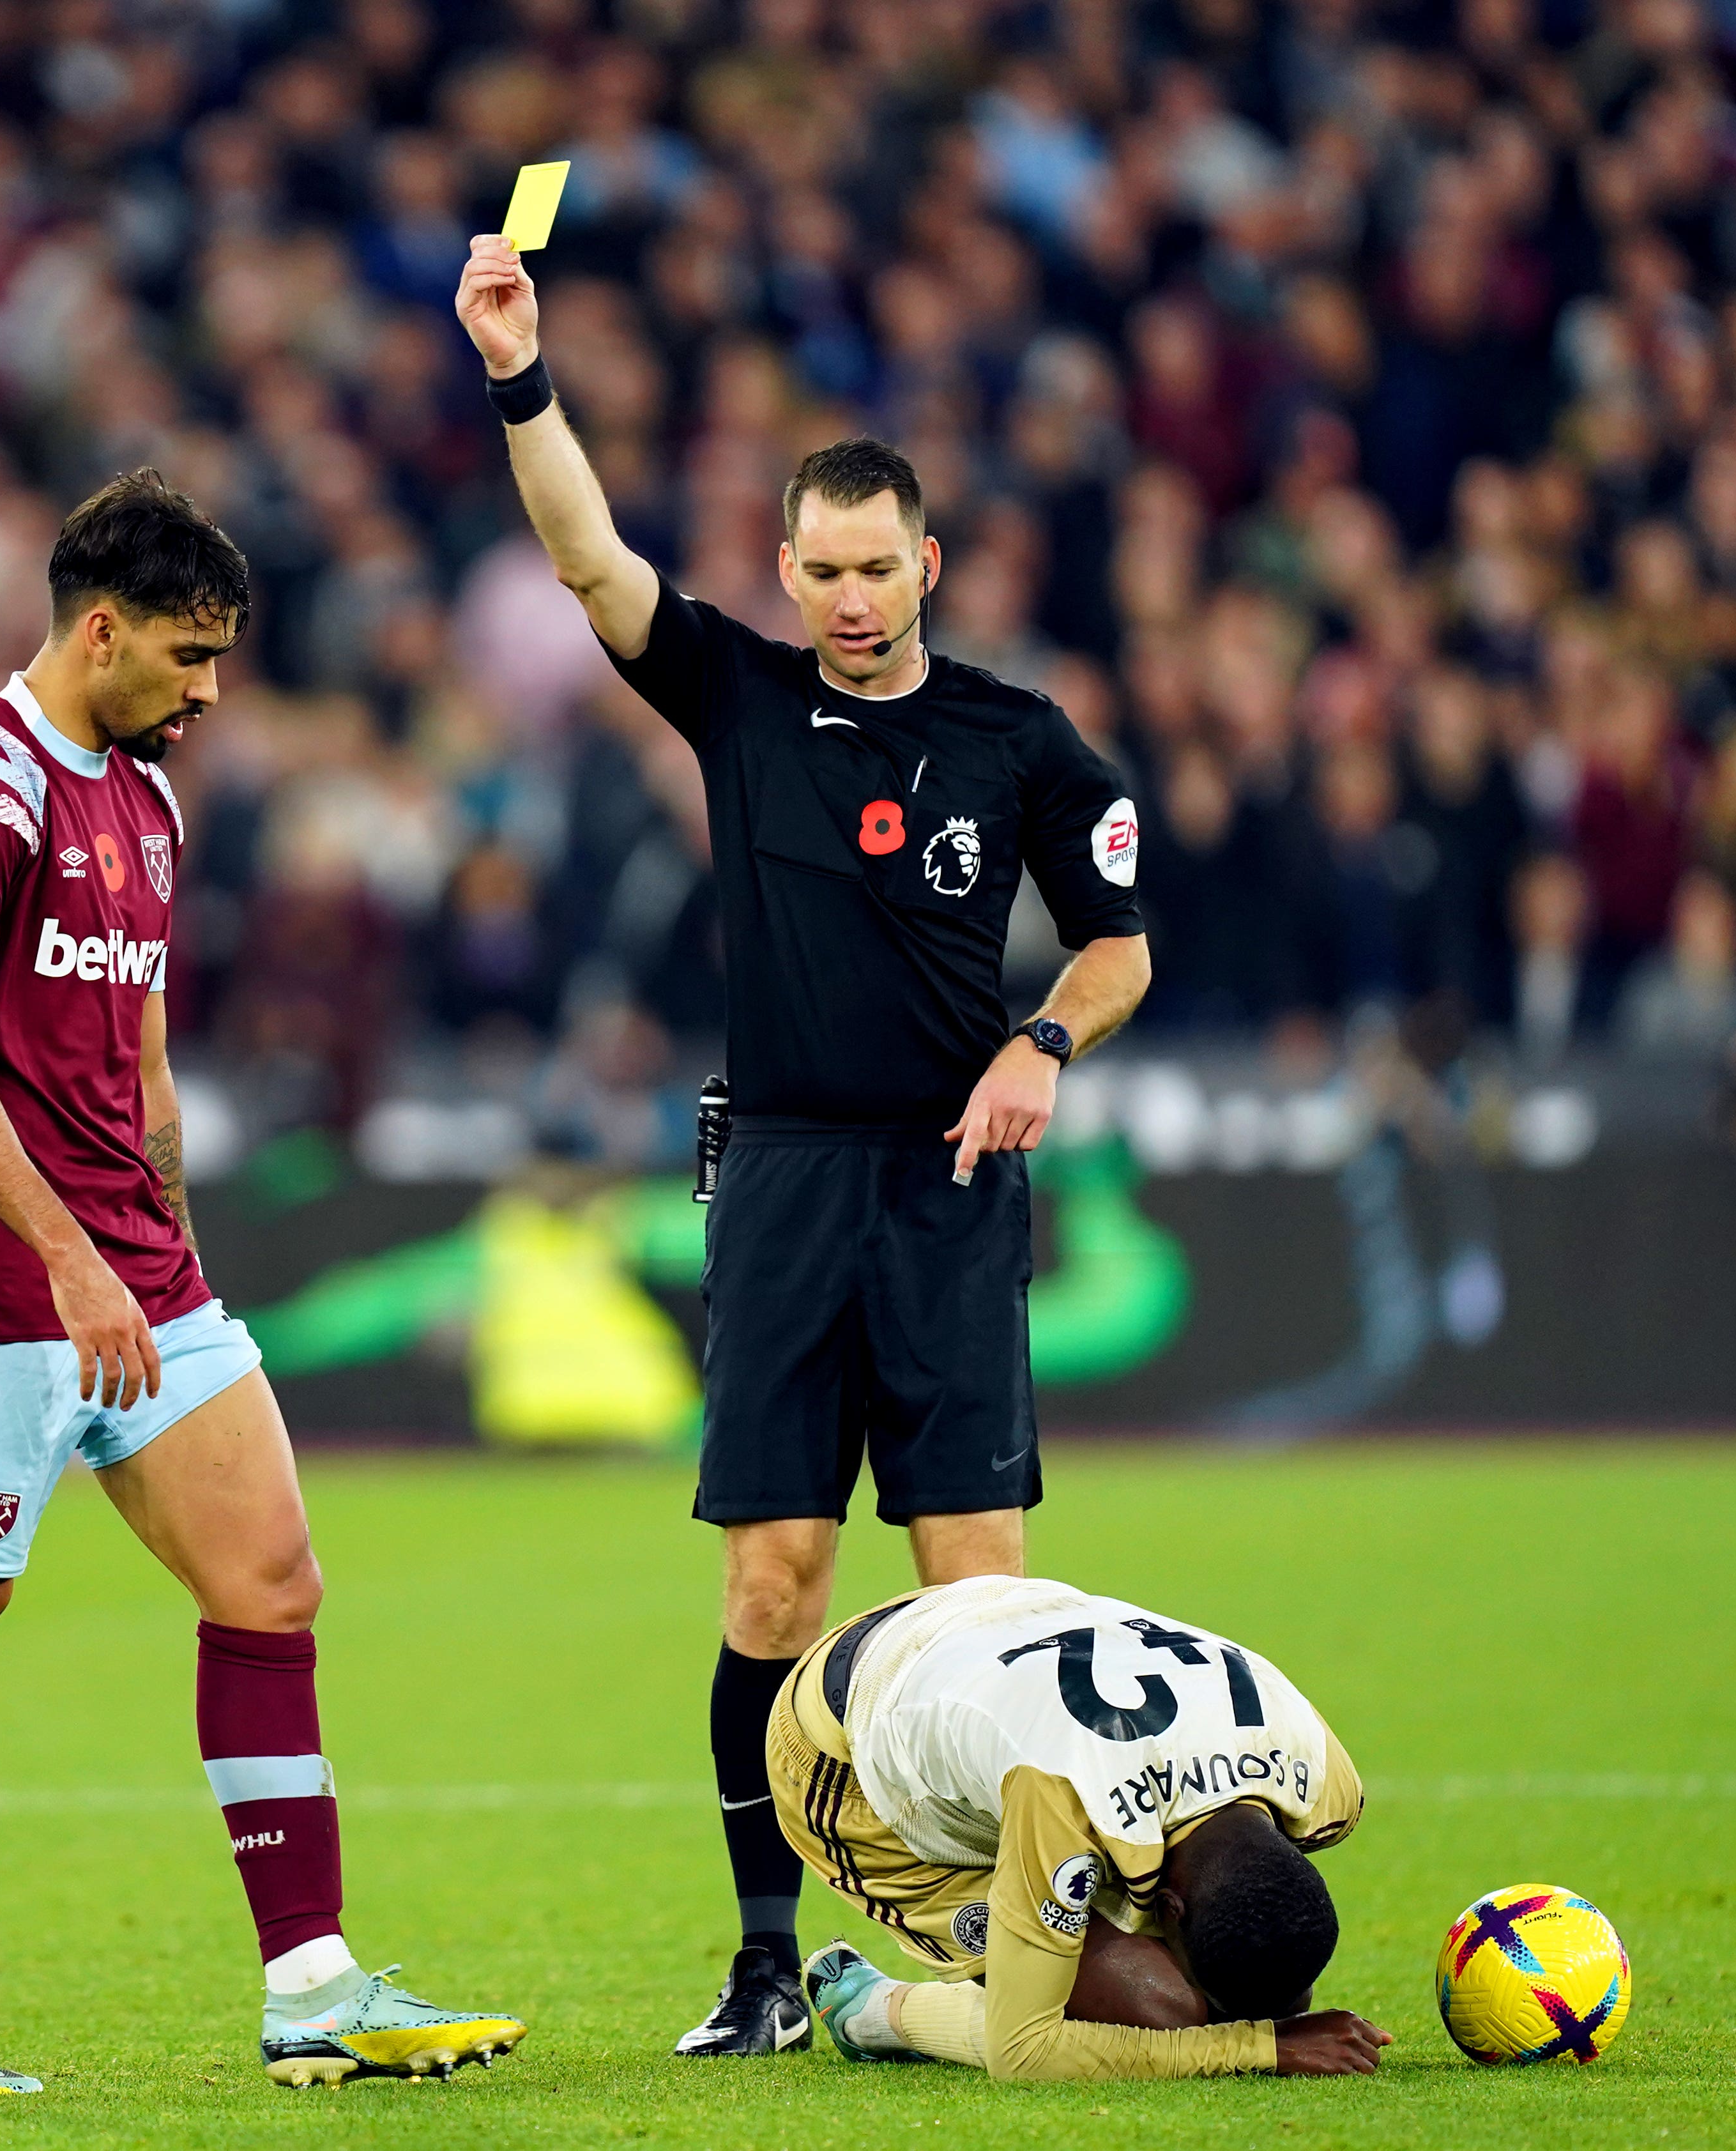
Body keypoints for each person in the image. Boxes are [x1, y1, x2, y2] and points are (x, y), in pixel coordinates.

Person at [457, 234, 1157, 2057]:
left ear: (927, 561)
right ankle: (766, 1957)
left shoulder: (1019, 742)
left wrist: (1041, 1040)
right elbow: (585, 556)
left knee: (978, 1598)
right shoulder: (742, 695)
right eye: (820, 570)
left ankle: (1033, 1940)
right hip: (774, 1177)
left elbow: (1123, 945)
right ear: (788, 568)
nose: (848, 598)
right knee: (774, 1578)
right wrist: (522, 376)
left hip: (945, 1187)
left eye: (876, 568)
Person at [0, 470, 526, 2096]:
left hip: (139, 1275)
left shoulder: (149, 798)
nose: (210, 693)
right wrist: (64, 1257)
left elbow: (133, 1054)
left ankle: (314, 1986)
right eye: (189, 657)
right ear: (102, 628)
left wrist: (162, 1238)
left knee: (272, 1580)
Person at [771, 1573, 1392, 2082]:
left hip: (994, 1632)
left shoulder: (1320, 1775)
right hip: (847, 1737)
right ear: (1167, 1907)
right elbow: (1024, 2054)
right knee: (1160, 2014)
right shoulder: (1065, 1799)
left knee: (1265, 1996)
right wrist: (1259, 2046)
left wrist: (1273, 2015)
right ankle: (870, 2009)